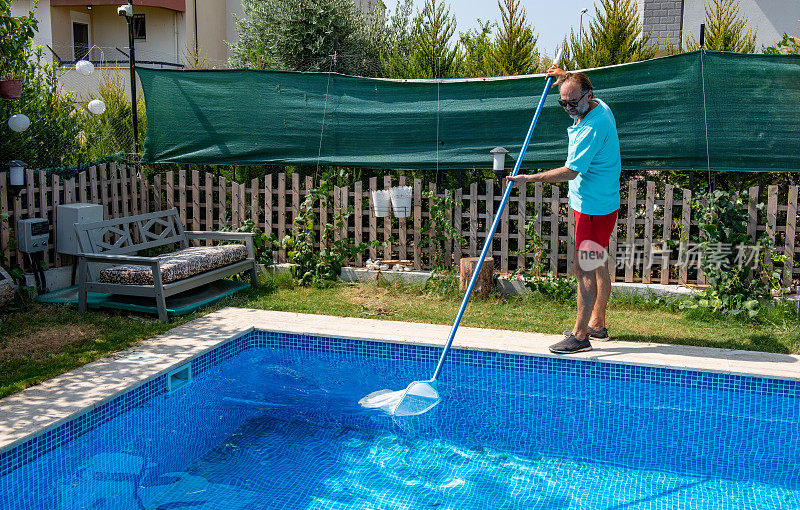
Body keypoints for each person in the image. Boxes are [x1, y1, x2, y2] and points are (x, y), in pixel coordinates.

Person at [508, 64, 621, 354]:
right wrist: (563, 76)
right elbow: (572, 86)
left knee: (584, 267)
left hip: (592, 208)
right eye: (563, 102)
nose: (569, 107)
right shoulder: (598, 106)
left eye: (573, 102)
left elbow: (570, 172)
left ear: (588, 95)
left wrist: (528, 178)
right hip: (602, 203)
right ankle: (597, 324)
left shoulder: (591, 128)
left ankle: (580, 335)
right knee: (596, 264)